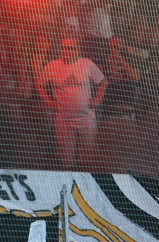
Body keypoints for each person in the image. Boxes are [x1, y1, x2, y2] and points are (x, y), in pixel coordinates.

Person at [37, 38, 107, 170]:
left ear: (77, 50)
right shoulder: (52, 66)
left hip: (86, 119)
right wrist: (47, 100)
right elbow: (39, 83)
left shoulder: (86, 64)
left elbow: (103, 81)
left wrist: (97, 100)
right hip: (63, 120)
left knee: (88, 161)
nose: (66, 51)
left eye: (70, 48)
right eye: (64, 48)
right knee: (66, 161)